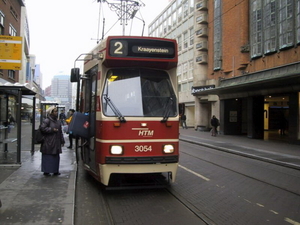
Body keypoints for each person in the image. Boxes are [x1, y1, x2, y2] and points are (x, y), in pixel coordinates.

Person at [40, 106, 65, 176]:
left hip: (56, 142)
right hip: (48, 142)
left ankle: (55, 170)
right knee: (48, 156)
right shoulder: (47, 120)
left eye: (57, 111)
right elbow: (42, 128)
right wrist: (51, 129)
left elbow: (60, 132)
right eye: (55, 111)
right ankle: (47, 171)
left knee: (55, 156)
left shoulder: (57, 121)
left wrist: (62, 140)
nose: (56, 112)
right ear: (51, 112)